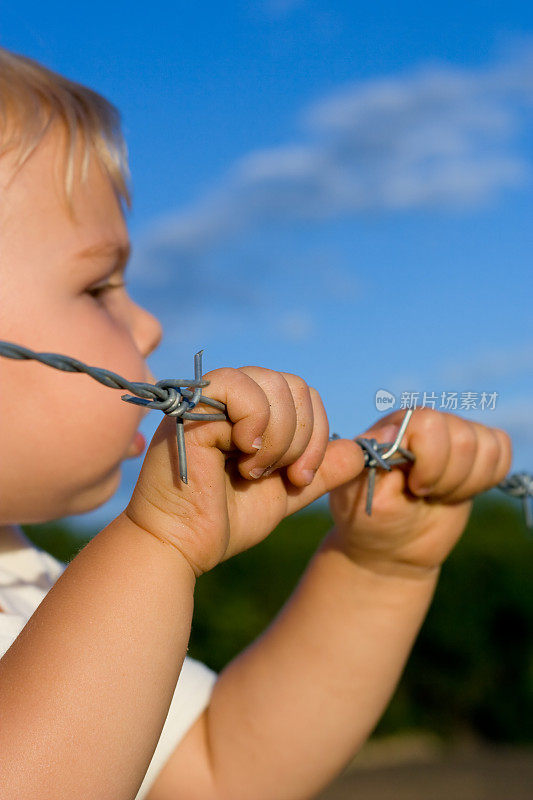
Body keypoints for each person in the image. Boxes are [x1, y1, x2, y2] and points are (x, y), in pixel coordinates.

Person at [0, 46, 512, 800]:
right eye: (98, 285)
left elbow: (217, 769)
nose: (146, 325)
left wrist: (374, 571)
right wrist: (156, 549)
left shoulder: (29, 583)